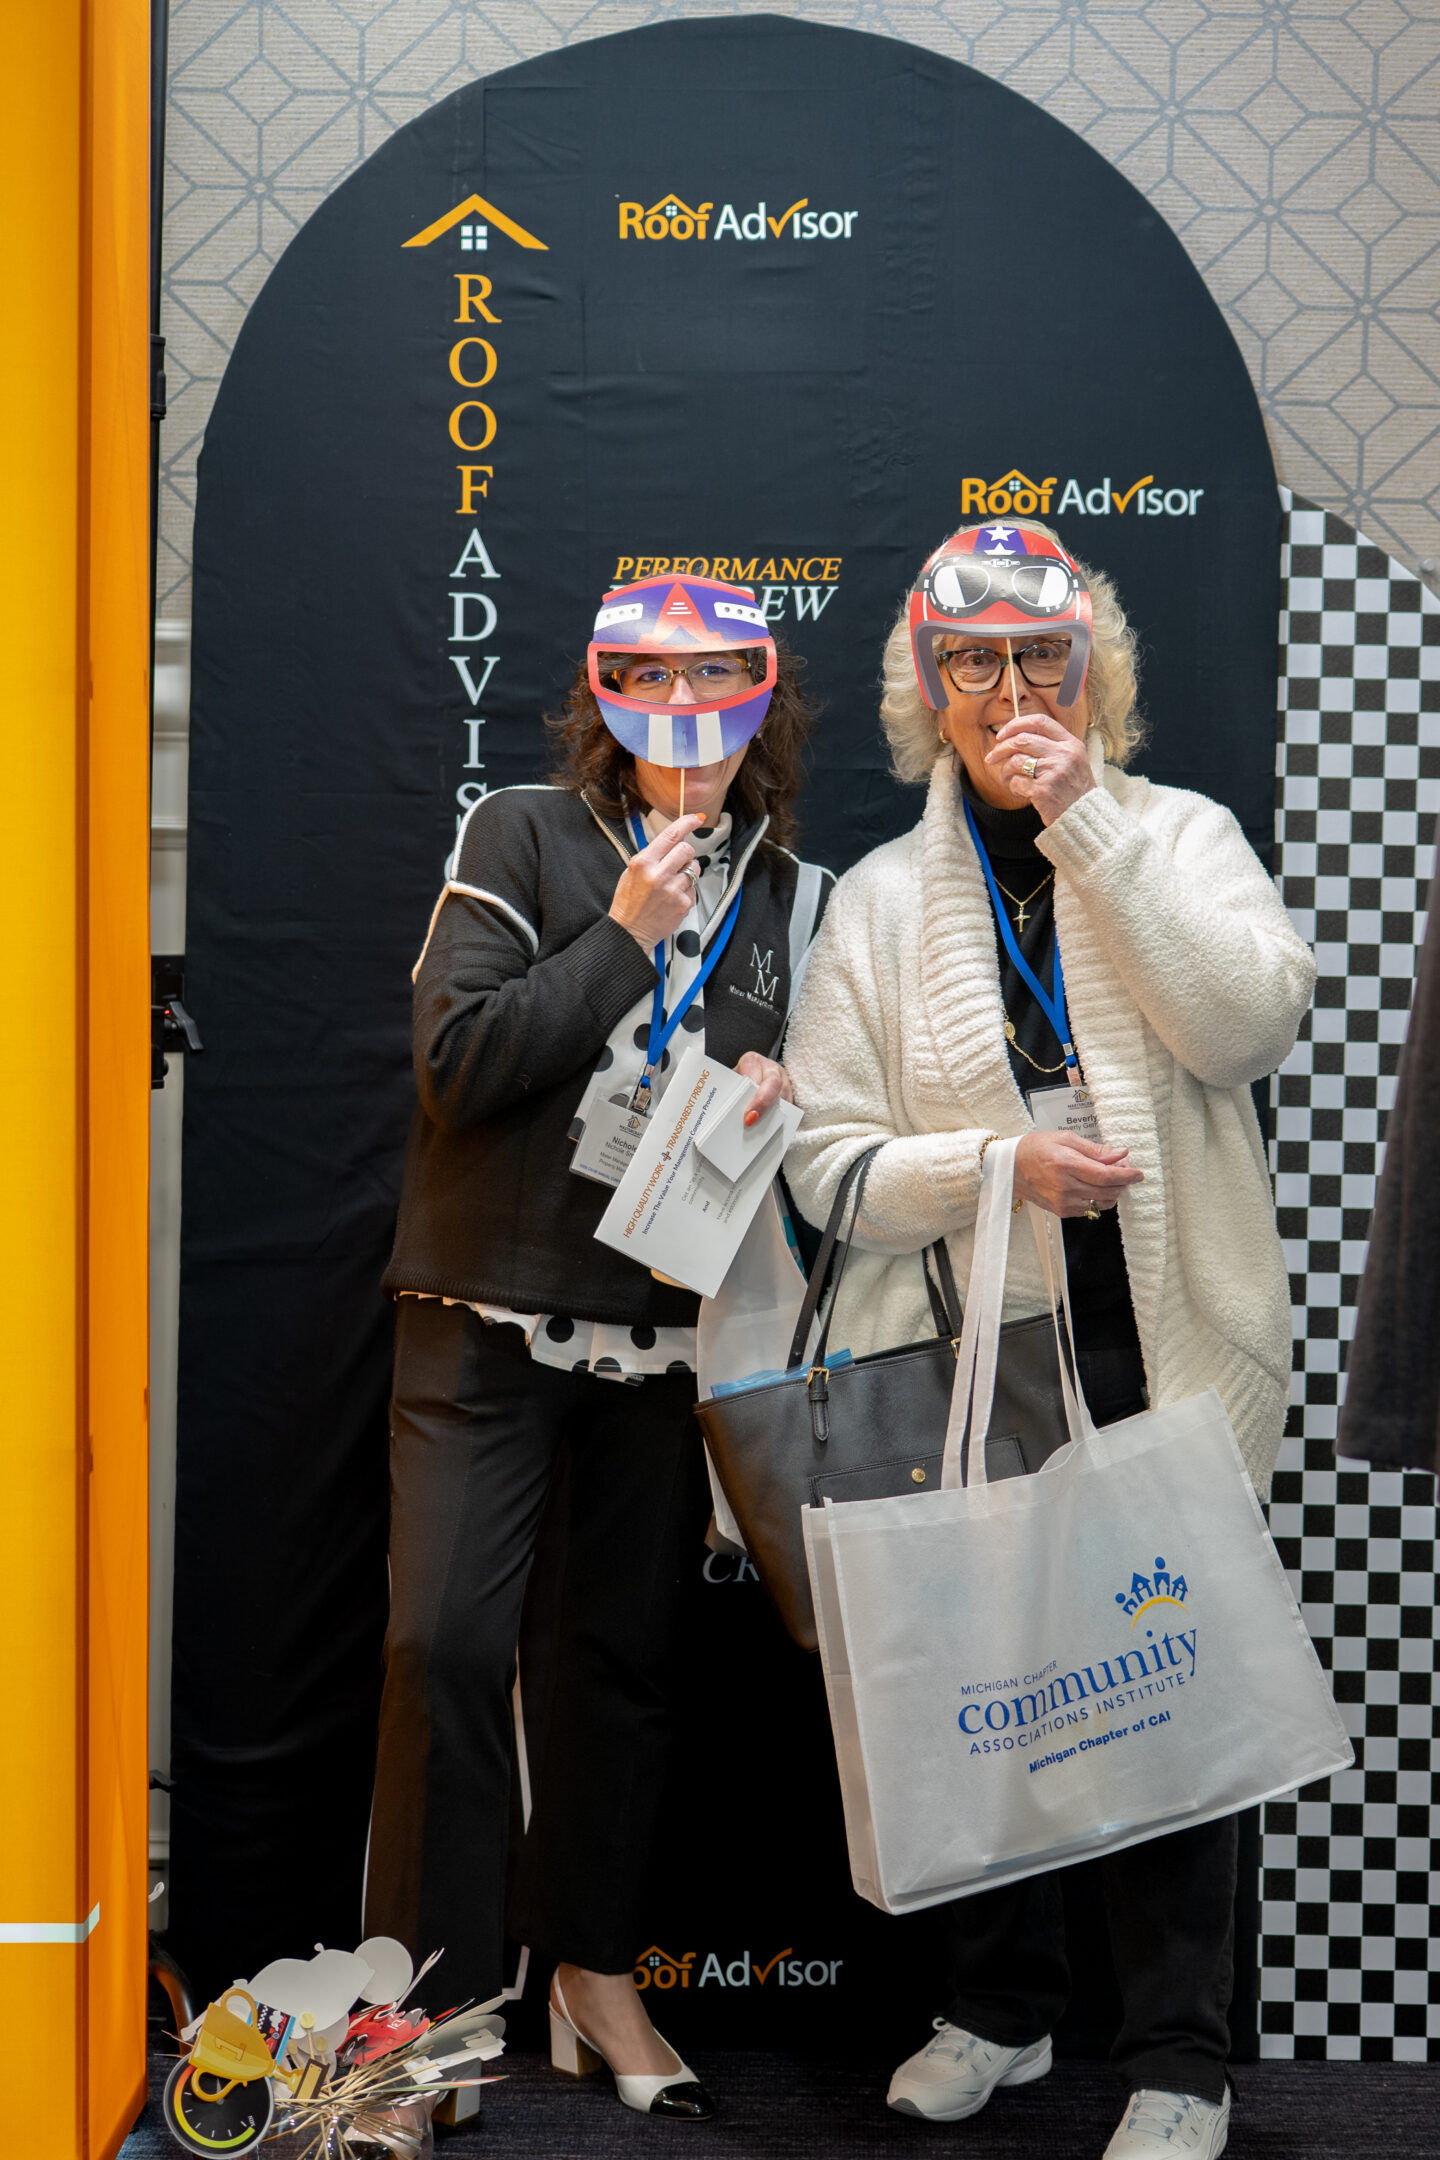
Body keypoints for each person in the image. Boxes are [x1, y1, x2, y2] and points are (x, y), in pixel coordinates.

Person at [783, 520, 1314, 2160]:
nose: (1009, 692)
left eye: (1040, 659)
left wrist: (1087, 821)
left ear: (1095, 676)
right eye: (973, 662)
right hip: (970, 1358)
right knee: (984, 1687)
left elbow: (1249, 1023)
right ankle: (1001, 2011)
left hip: (1161, 1337)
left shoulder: (1181, 834)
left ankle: (1181, 2061)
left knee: (1173, 1686)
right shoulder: (878, 904)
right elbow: (823, 1166)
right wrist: (996, 1166)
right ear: (928, 690)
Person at [363, 571, 829, 2130]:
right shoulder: (522, 833)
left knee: (620, 1670)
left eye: (716, 681)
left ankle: (591, 1973)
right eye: (652, 680)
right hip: (483, 1315)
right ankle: (421, 2016)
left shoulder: (796, 895)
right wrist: (628, 938)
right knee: (440, 1647)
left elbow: (818, 1129)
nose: (684, 711)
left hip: (661, 1333)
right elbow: (456, 1064)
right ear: (604, 700)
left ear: (763, 704)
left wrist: (782, 1107)